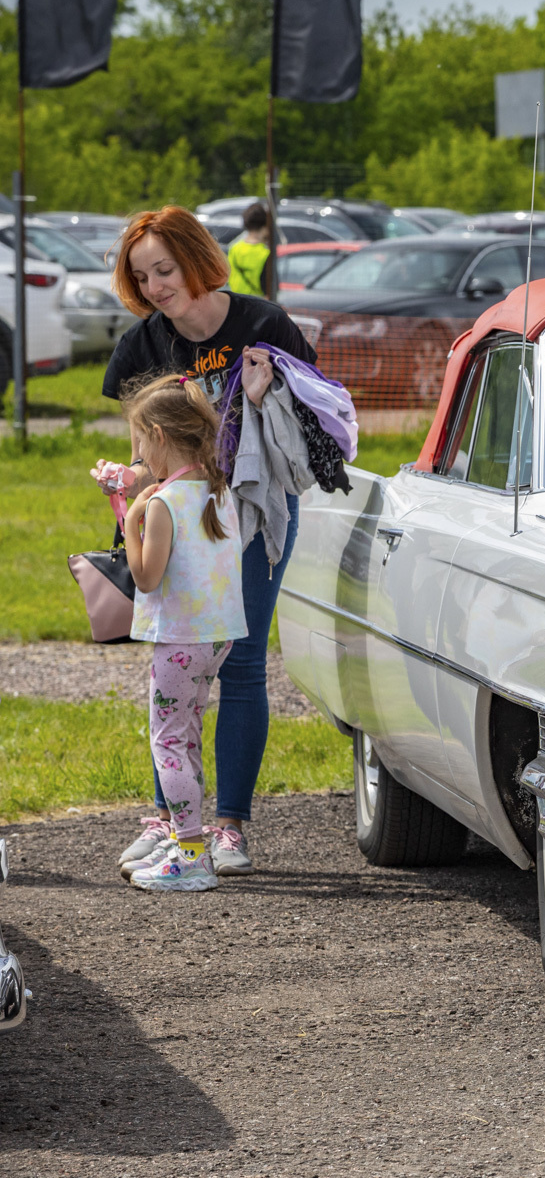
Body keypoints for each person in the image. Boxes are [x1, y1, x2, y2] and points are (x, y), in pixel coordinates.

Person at [100, 205, 318, 879]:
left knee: (244, 662)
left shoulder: (263, 324)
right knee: (172, 665)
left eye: (164, 269)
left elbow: (313, 425)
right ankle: (174, 823)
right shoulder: (144, 345)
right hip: (177, 520)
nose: (156, 286)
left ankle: (228, 827)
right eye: (143, 275)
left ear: (196, 257)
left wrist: (264, 391)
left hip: (248, 516)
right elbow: (149, 449)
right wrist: (127, 485)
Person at [114, 374, 248, 892]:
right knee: (187, 734)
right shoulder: (217, 491)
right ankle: (186, 839)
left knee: (168, 742)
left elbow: (146, 576)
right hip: (217, 637)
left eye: (139, 442)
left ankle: (190, 853)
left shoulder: (165, 505)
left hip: (179, 641)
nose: (139, 453)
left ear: (159, 436)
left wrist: (132, 521)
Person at [227, 203, 273, 298]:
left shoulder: (234, 248)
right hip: (257, 303)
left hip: (236, 300)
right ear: (265, 226)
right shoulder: (265, 253)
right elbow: (268, 286)